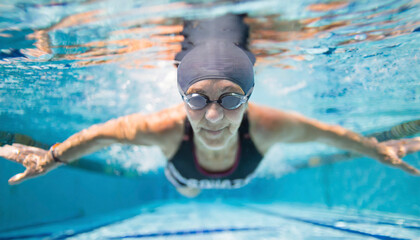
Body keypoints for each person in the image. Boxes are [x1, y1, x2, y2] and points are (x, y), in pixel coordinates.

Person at [1, 14, 419, 198]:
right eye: (197, 99)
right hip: (183, 172)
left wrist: (378, 148)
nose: (214, 116)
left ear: (249, 99)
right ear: (181, 98)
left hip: (241, 169)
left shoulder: (269, 126)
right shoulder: (165, 128)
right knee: (185, 189)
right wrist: (53, 156)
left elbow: (332, 135)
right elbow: (101, 135)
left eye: (232, 98)